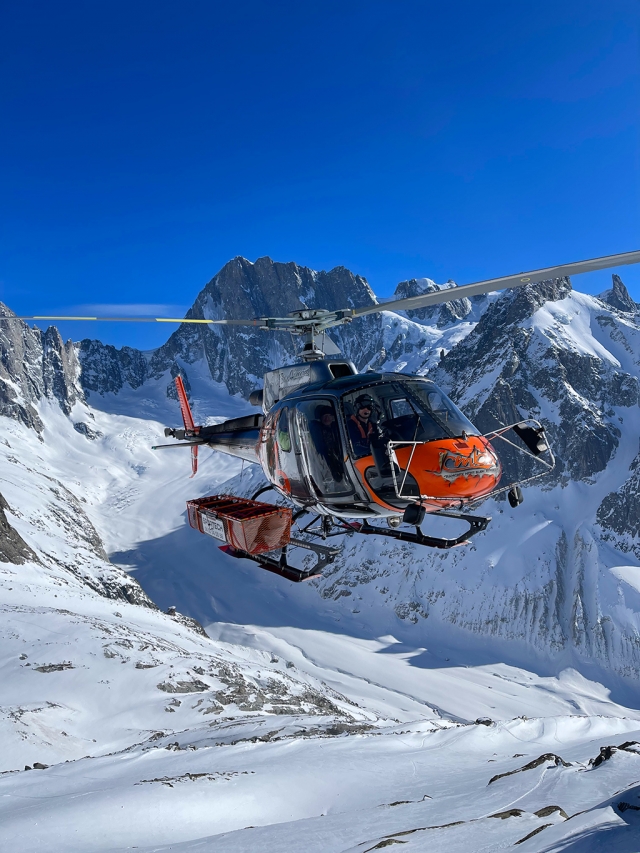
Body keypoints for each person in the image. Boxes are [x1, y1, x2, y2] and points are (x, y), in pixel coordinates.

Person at [312, 404, 344, 482]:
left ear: (333, 417)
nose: (327, 418)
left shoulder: (339, 428)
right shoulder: (317, 430)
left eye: (329, 415)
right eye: (324, 416)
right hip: (325, 460)